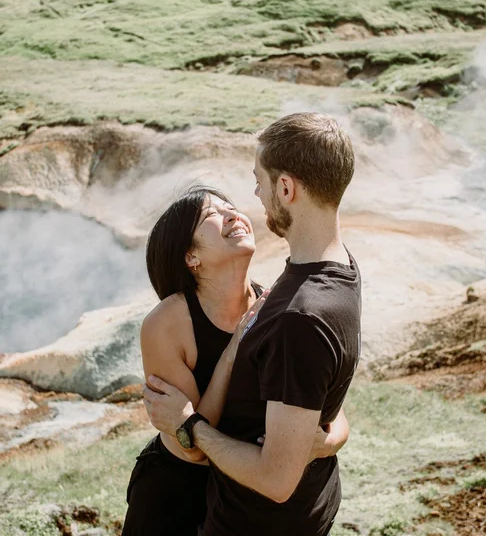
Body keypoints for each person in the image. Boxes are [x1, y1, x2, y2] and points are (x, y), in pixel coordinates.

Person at [144, 113, 362, 536]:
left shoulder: (289, 312)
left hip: (252, 513)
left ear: (286, 188)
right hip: (181, 501)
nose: (253, 196)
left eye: (259, 181)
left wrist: (328, 440)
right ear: (191, 257)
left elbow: (308, 427)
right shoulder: (328, 275)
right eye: (212, 214)